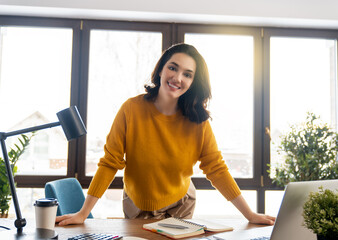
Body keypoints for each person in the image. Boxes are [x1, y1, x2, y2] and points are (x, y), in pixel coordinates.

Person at [56, 43, 275, 225]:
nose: (178, 78)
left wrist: (250, 215)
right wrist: (83, 213)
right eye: (173, 68)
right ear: (161, 69)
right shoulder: (131, 110)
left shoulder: (198, 121)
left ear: (192, 83)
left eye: (187, 74)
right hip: (138, 205)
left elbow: (216, 168)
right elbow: (109, 162)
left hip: (181, 203)